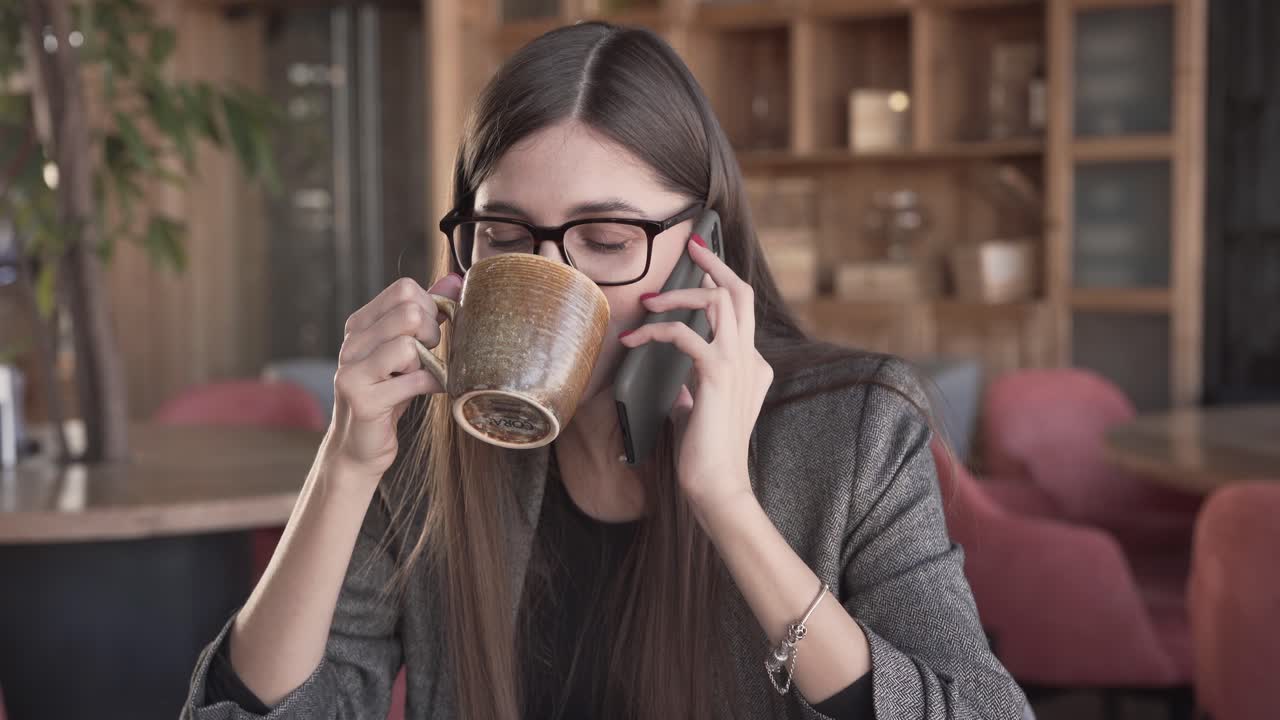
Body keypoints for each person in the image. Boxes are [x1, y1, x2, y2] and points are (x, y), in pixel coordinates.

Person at [182, 22, 1025, 720]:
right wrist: (344, 464)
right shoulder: (425, 449)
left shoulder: (854, 430)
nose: (559, 279)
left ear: (706, 250)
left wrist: (729, 507)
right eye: (505, 237)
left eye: (609, 241)